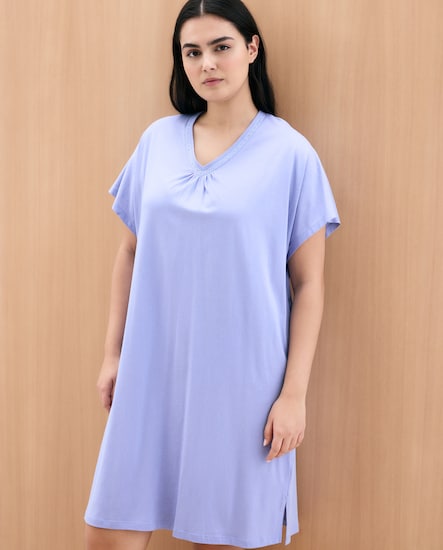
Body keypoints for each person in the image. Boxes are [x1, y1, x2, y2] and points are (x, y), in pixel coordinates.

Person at [84, 0, 340, 549]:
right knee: (108, 533)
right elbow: (129, 252)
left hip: (242, 386)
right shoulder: (157, 141)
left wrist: (293, 395)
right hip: (150, 372)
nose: (207, 64)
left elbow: (309, 284)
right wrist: (112, 354)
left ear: (251, 48)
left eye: (221, 47)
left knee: (219, 538)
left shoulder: (291, 154)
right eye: (192, 52)